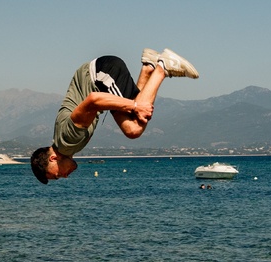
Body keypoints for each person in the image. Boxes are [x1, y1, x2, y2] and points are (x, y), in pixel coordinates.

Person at [30, 49, 199, 184]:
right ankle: (149, 67)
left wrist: (135, 106)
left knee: (133, 128)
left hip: (100, 74)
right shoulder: (65, 144)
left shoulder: (67, 141)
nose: (65, 177)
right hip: (100, 75)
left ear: (53, 158)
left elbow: (93, 100)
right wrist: (135, 106)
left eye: (58, 175)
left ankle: (163, 67)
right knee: (133, 120)